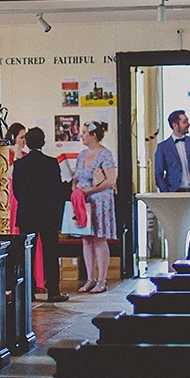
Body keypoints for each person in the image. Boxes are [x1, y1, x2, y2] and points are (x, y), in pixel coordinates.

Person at [12, 127, 69, 302]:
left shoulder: (20, 164)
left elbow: (16, 191)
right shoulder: (51, 163)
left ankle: (29, 291)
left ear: (26, 143)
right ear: (43, 143)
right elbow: (58, 190)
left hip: (27, 213)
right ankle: (53, 291)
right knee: (51, 253)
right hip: (48, 213)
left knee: (26, 253)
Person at [72, 120, 116, 294]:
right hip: (84, 201)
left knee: (99, 238)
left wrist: (89, 190)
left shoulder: (105, 154)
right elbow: (76, 176)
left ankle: (102, 279)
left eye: (84, 133)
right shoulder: (82, 155)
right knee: (86, 239)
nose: (81, 135)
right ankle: (90, 278)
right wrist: (75, 190)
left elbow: (111, 180)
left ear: (93, 135)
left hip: (100, 199)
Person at [154, 109, 190, 249]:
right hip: (175, 194)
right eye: (185, 122)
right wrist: (167, 194)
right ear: (175, 125)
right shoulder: (163, 147)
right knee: (177, 231)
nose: (188, 124)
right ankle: (179, 264)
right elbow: (158, 174)